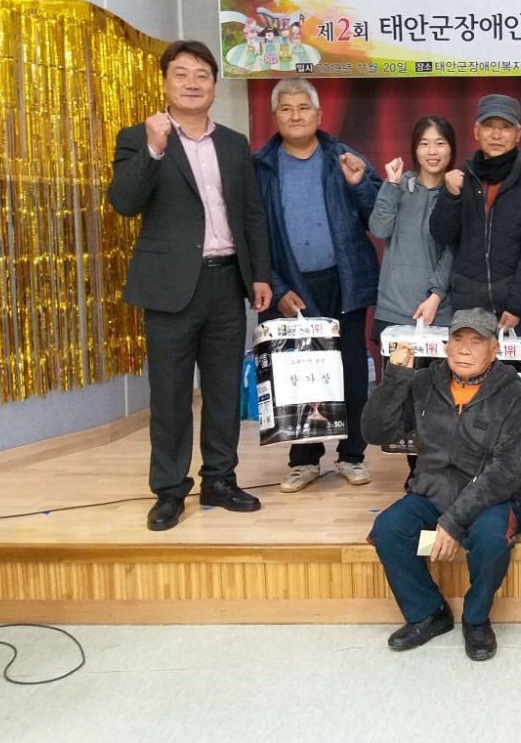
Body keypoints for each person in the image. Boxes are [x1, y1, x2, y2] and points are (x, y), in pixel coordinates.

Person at [107, 40, 271, 532]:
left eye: (202, 75)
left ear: (215, 87)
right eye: (181, 74)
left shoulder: (234, 143)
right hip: (170, 287)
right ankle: (169, 490)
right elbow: (124, 202)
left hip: (227, 281)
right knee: (171, 394)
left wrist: (260, 274)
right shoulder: (139, 137)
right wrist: (154, 150)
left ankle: (219, 480)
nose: (192, 83)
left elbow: (251, 213)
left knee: (222, 391)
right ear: (165, 83)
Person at [363, 307, 521, 661]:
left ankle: (476, 619)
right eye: (457, 339)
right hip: (433, 490)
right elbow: (375, 432)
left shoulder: (514, 395)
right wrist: (395, 378)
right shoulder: (425, 383)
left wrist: (454, 522)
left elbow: (508, 470)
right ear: (445, 346)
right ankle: (428, 613)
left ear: (495, 350)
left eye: (477, 341)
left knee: (491, 538)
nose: (465, 349)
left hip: (493, 497)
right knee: (388, 529)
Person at [253, 78, 382, 493]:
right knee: (297, 373)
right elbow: (252, 235)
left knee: (351, 371)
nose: (296, 116)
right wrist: (276, 288)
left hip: (344, 279)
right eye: (286, 108)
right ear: (275, 116)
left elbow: (379, 217)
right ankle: (304, 460)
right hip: (290, 288)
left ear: (319, 114)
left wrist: (359, 185)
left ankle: (352, 455)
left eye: (303, 107)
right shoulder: (260, 167)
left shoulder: (343, 157)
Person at [429, 94, 521, 337]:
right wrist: (450, 197)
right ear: (476, 131)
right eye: (489, 126)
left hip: (518, 311)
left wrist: (517, 305)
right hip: (468, 306)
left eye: (505, 127)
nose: (496, 135)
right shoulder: (460, 178)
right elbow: (442, 235)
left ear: (518, 133)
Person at [369, 115, 456, 339]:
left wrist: (436, 296)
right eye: (424, 144)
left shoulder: (457, 192)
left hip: (438, 311)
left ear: (451, 149)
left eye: (440, 143)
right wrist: (392, 185)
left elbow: (453, 251)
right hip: (393, 308)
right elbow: (379, 229)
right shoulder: (398, 185)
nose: (432, 151)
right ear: (415, 150)